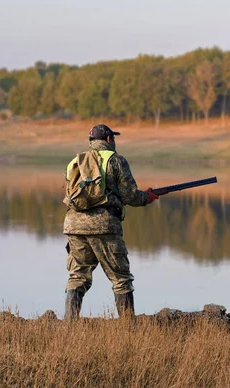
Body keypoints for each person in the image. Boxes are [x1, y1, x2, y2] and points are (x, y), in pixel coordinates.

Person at [62, 124, 159, 320]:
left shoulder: (75, 161)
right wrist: (147, 197)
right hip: (104, 226)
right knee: (121, 278)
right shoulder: (115, 160)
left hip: (74, 225)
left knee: (77, 276)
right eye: (113, 138)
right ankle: (127, 327)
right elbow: (130, 195)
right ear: (108, 139)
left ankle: (69, 324)